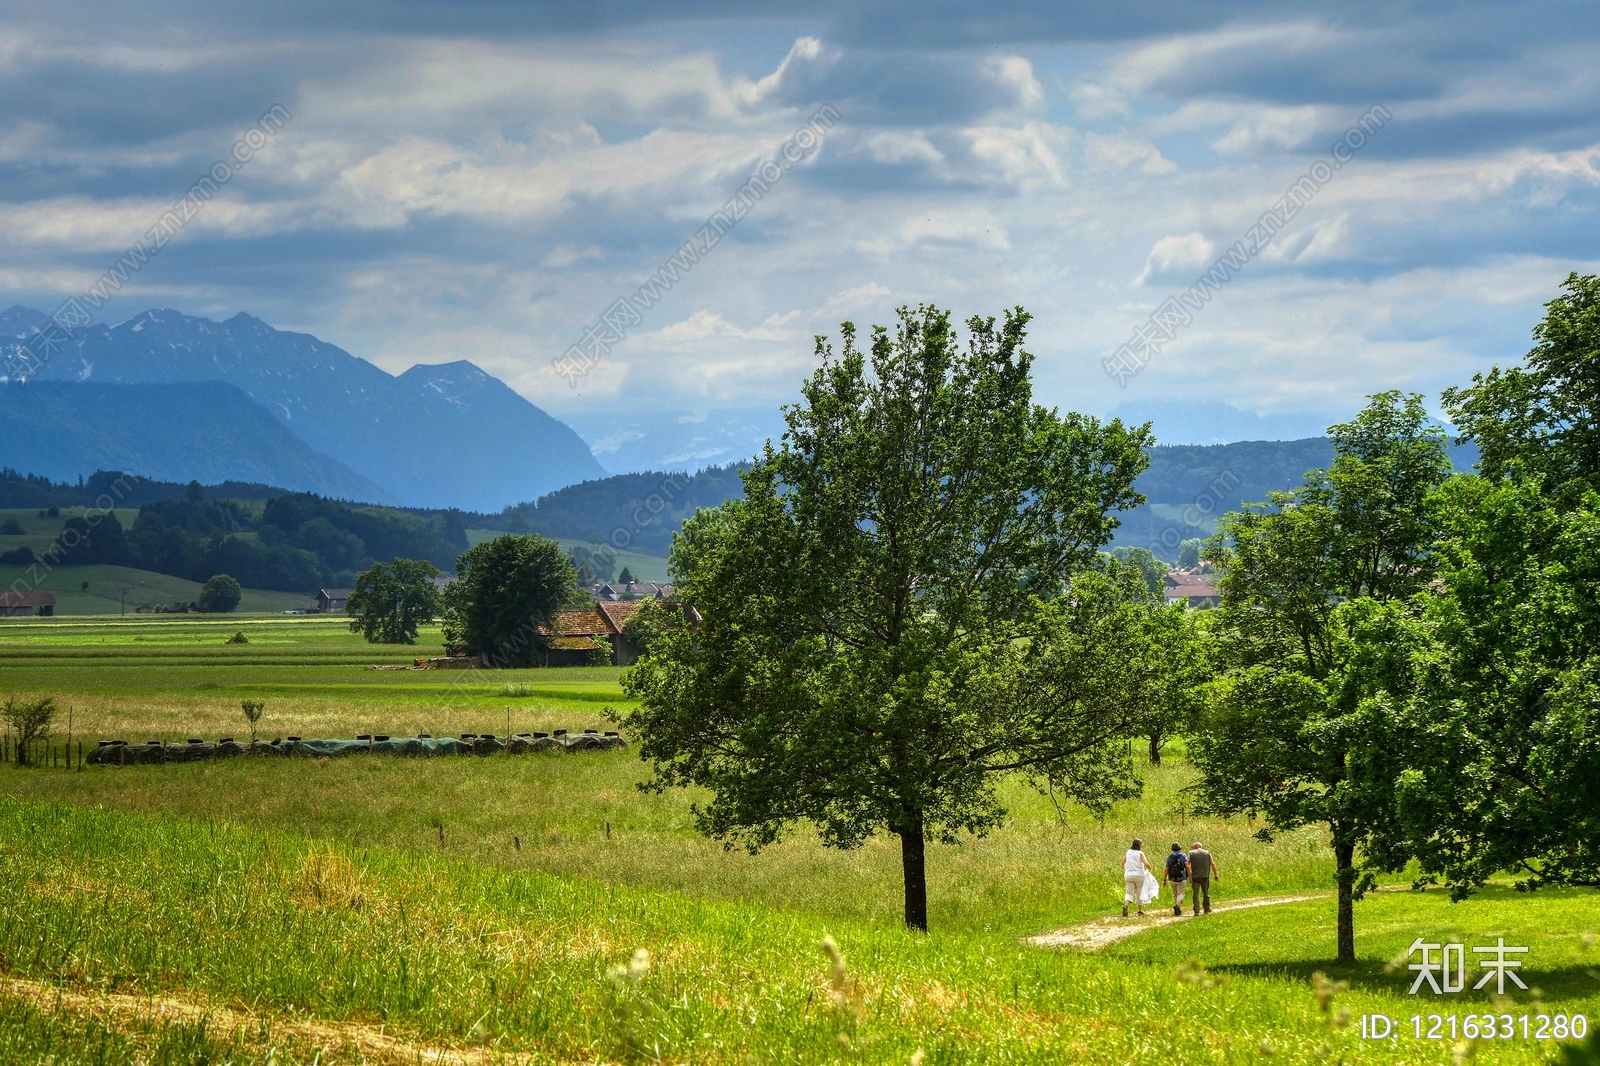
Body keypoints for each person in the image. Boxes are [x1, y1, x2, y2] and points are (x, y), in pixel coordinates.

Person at [1122, 839, 1154, 917]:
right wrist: (1149, 868)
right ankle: (1140, 910)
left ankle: (1126, 905)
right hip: (1139, 875)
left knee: (1129, 892)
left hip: (1128, 875)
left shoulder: (1128, 852)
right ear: (1139, 845)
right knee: (1139, 892)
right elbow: (1146, 863)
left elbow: (1123, 863)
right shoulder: (1140, 853)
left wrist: (1127, 869)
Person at [1188, 842, 1218, 915]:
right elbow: (1212, 864)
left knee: (1195, 893)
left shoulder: (1191, 853)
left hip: (1195, 877)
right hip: (1205, 876)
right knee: (1205, 893)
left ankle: (1196, 910)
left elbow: (1187, 864)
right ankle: (1206, 908)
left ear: (1195, 847)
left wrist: (1190, 876)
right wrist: (1216, 874)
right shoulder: (1207, 853)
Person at [1163, 843, 1189, 916]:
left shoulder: (1169, 857)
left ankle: (1177, 910)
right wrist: (1190, 876)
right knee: (1181, 893)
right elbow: (1187, 867)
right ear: (1180, 849)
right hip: (1182, 878)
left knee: (1175, 894)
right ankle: (1177, 906)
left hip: (1172, 879)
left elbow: (1166, 869)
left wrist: (1164, 879)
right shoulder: (1183, 856)